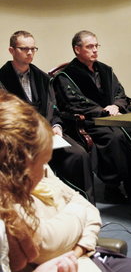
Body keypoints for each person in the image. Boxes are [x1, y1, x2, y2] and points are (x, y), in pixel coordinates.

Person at [0, 90, 131, 272]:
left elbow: (90, 210)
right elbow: (46, 243)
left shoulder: (40, 172)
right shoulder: (9, 212)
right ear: (16, 168)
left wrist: (78, 249)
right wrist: (78, 214)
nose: (45, 171)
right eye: (41, 164)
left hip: (88, 257)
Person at [52, 31, 131, 204]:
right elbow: (74, 103)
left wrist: (116, 106)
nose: (95, 50)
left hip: (116, 116)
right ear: (77, 49)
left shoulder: (105, 70)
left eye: (96, 46)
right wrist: (102, 110)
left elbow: (120, 93)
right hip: (92, 121)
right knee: (115, 138)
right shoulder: (66, 77)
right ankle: (114, 186)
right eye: (90, 46)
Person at [0, 31, 94, 203]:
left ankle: (81, 204)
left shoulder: (43, 78)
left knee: (79, 154)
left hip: (47, 131)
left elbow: (54, 109)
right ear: (11, 50)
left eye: (33, 49)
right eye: (24, 49)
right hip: (18, 135)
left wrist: (57, 126)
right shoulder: (2, 79)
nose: (30, 53)